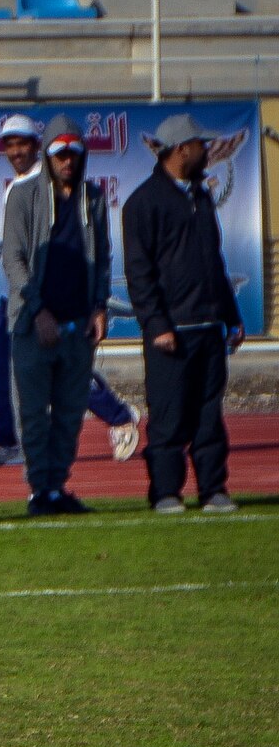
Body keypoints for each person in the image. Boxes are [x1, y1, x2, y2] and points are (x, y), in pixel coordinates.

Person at [0, 113, 140, 471]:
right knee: (4, 373)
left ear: (38, 147)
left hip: (50, 303)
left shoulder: (54, 189)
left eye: (23, 144)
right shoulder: (17, 188)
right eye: (9, 145)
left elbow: (85, 248)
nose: (15, 151)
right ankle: (5, 439)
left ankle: (119, 415)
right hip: (15, 298)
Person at [121, 112, 245, 515]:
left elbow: (213, 260)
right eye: (201, 145)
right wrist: (156, 324)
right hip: (171, 332)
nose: (208, 151)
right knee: (169, 415)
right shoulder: (143, 203)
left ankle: (213, 489)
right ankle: (166, 492)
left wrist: (231, 314)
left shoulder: (201, 196)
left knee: (210, 414)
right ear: (181, 150)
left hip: (209, 327)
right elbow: (139, 273)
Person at [1, 114, 112, 517]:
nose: (67, 161)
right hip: (33, 325)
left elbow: (102, 258)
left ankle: (57, 486)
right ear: (47, 155)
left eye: (74, 153)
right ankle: (38, 490)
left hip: (78, 325)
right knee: (32, 413)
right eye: (60, 153)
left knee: (69, 413)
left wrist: (99, 306)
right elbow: (13, 260)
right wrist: (38, 310)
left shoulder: (93, 198)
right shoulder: (23, 196)